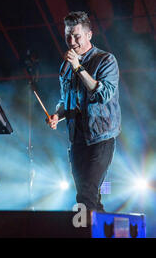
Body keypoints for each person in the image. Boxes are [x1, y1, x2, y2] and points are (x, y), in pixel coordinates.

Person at [46, 11, 121, 212]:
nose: (71, 41)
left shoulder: (106, 60)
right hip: (77, 139)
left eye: (76, 36)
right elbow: (66, 100)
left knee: (86, 195)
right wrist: (57, 116)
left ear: (89, 35)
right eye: (67, 36)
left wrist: (78, 67)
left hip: (100, 138)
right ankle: (105, 232)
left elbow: (102, 94)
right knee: (90, 197)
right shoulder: (66, 66)